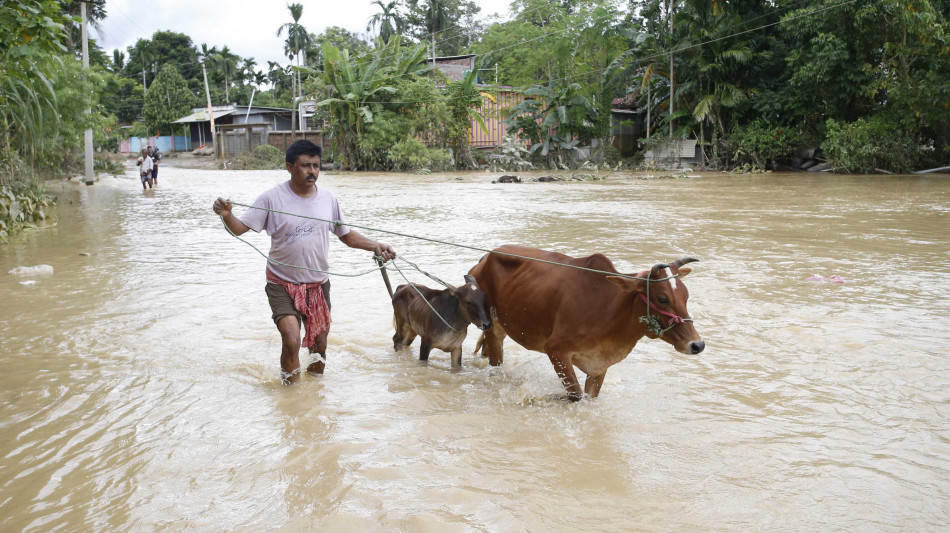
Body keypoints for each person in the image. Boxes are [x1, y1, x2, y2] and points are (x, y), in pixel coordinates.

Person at [212, 140, 396, 383]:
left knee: (320, 345)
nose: (312, 171)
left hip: (318, 284)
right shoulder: (271, 198)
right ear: (289, 167)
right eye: (305, 166)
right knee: (291, 339)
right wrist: (227, 215)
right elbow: (240, 228)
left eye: (317, 166)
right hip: (281, 282)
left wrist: (375, 245)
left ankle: (314, 396)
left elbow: (347, 235)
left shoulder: (329, 199)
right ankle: (291, 396)